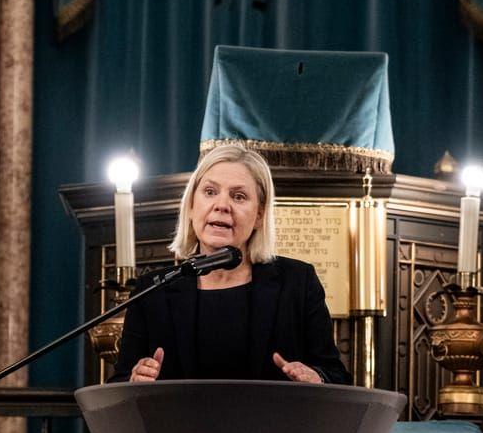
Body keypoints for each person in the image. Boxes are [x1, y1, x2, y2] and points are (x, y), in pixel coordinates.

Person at [110, 144, 351, 385]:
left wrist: (316, 378)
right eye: (210, 191)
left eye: (239, 196)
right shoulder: (153, 289)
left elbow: (337, 377)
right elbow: (118, 386)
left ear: (259, 215)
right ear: (191, 206)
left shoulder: (297, 282)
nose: (222, 205)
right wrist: (135, 380)